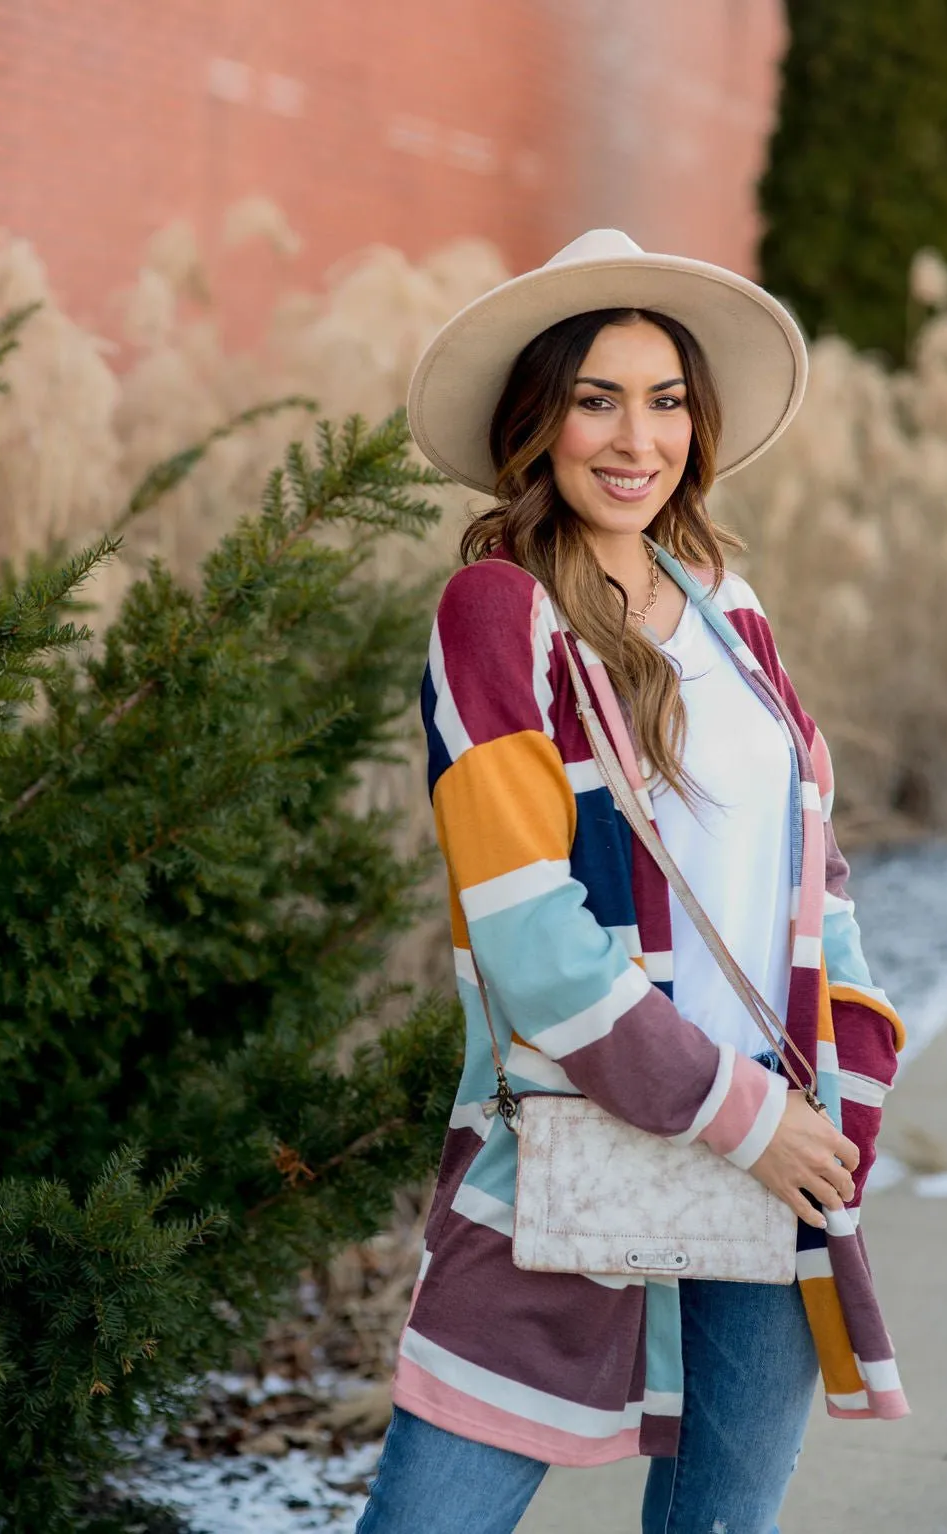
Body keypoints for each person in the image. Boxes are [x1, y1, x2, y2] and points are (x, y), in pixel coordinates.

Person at [355, 230, 908, 1534]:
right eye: (596, 396)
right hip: (575, 1144)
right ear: (537, 419)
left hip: (776, 1160)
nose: (633, 436)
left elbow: (814, 876)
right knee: (432, 1516)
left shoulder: (728, 606)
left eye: (664, 399)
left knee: (719, 1522)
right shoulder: (495, 612)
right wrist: (735, 1113)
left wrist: (847, 1106)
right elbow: (529, 934)